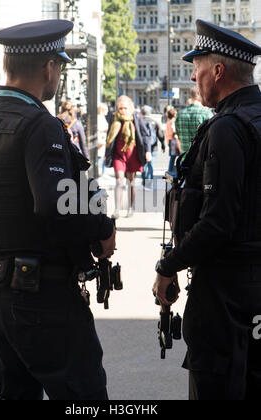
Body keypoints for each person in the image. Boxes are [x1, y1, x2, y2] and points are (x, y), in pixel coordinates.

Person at [0, 19, 116, 401]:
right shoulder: (39, 124)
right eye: (60, 66)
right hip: (41, 297)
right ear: (49, 68)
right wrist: (102, 227)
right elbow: (54, 204)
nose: (59, 75)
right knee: (85, 397)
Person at [153, 19, 261, 400]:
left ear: (218, 71)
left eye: (197, 68)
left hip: (226, 297)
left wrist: (168, 267)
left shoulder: (227, 129)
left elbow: (217, 223)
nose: (194, 77)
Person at [105, 95, 151, 218]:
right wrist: (106, 153)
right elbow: (109, 136)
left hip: (133, 154)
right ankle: (117, 209)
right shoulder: (114, 118)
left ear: (130, 107)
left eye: (125, 108)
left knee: (131, 181)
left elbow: (146, 135)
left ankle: (131, 207)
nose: (123, 111)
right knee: (119, 180)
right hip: (118, 155)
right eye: (120, 108)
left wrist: (148, 151)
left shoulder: (136, 117)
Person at [175, 87, 213, 154]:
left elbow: (178, 139)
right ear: (201, 95)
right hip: (201, 160)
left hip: (184, 158)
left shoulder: (180, 114)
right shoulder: (207, 113)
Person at [165, 108, 181, 174]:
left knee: (173, 157)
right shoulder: (172, 122)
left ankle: (170, 170)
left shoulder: (168, 121)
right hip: (174, 141)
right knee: (179, 156)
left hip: (170, 140)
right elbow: (174, 131)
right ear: (174, 115)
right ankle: (176, 171)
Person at [97, 103, 108, 177]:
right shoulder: (100, 118)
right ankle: (98, 172)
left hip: (102, 139)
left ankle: (101, 172)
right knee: (99, 157)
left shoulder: (102, 117)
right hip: (101, 140)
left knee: (101, 156)